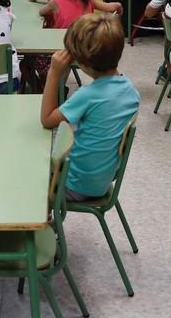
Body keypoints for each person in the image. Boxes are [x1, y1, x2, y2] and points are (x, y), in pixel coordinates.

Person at [40, 13, 140, 200]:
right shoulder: (131, 92)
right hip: (100, 182)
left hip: (74, 184)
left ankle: (43, 219)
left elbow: (46, 119)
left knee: (28, 172)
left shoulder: (88, 96)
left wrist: (54, 73)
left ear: (82, 62)